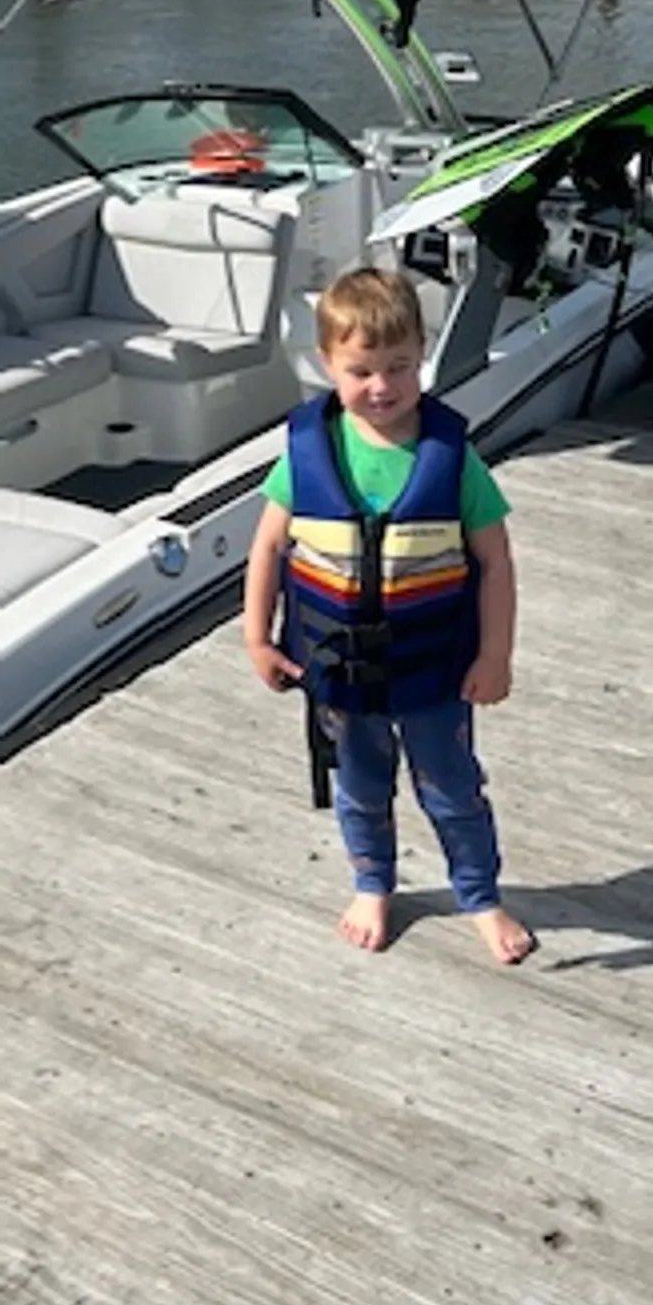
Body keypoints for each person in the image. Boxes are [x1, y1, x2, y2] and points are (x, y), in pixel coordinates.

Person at [242, 266, 534, 965]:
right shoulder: (305, 454)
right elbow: (269, 546)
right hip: (340, 674)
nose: (382, 386)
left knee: (453, 788)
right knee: (359, 784)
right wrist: (256, 636)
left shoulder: (453, 460)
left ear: (423, 355)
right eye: (361, 369)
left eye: (400, 366)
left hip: (435, 673)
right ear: (327, 366)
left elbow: (496, 562)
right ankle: (373, 882)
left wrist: (495, 656)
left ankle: (480, 896)